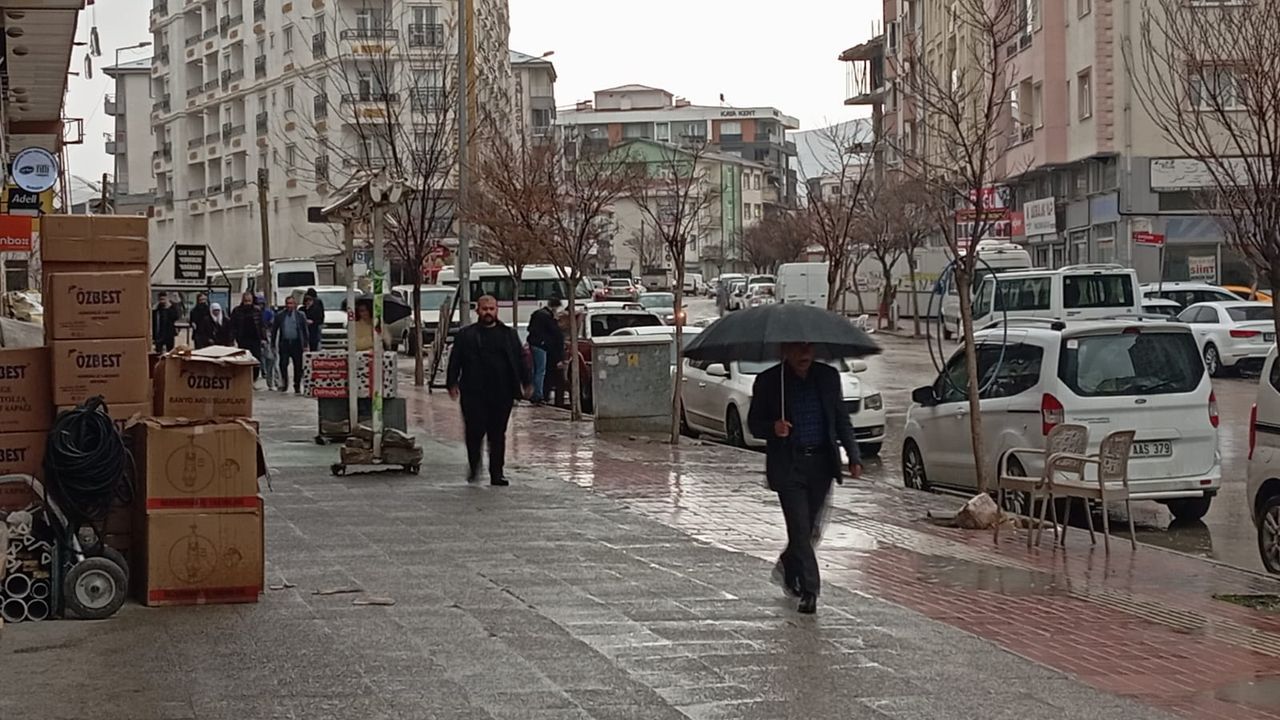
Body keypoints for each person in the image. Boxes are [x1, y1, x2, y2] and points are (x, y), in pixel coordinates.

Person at [747, 342, 862, 615]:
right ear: (785, 351)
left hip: (821, 464)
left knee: (810, 530)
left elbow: (841, 419)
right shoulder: (770, 381)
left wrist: (854, 455)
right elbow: (754, 424)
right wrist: (774, 428)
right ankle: (811, 591)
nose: (805, 355)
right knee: (799, 528)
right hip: (789, 466)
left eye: (809, 349)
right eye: (798, 349)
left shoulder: (828, 377)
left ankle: (788, 566)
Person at [446, 295, 532, 486]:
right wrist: (452, 383)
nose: (488, 312)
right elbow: (455, 360)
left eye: (491, 309)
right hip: (473, 393)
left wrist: (527, 382)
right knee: (474, 433)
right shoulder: (466, 335)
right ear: (477, 310)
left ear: (497, 310)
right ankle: (474, 466)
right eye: (484, 309)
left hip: (502, 393)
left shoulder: (508, 334)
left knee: (497, 434)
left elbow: (520, 359)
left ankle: (497, 473)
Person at [526, 296, 564, 405]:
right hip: (541, 346)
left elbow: (530, 328)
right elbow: (555, 333)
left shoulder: (537, 314)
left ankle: (535, 393)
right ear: (554, 307)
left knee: (536, 370)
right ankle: (538, 395)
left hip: (534, 344)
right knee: (541, 371)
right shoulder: (546, 317)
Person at [272, 296, 309, 393]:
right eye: (288, 303)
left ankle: (297, 384)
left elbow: (305, 330)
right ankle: (285, 383)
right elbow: (274, 330)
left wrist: (305, 344)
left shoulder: (300, 315)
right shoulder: (280, 315)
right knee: (283, 364)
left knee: (298, 365)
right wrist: (273, 344)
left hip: (297, 343)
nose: (289, 306)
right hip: (285, 343)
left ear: (295, 304)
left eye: (291, 303)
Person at [229, 291, 265, 381]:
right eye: (246, 301)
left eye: (249, 301)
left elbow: (261, 325)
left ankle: (254, 379)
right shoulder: (237, 311)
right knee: (244, 360)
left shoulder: (257, 310)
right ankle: (245, 379)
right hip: (242, 339)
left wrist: (263, 338)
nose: (247, 303)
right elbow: (233, 326)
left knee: (256, 360)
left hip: (255, 340)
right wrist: (232, 339)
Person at [303, 288, 325, 352]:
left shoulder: (316, 304)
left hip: (314, 326)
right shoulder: (318, 302)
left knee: (314, 340)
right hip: (314, 326)